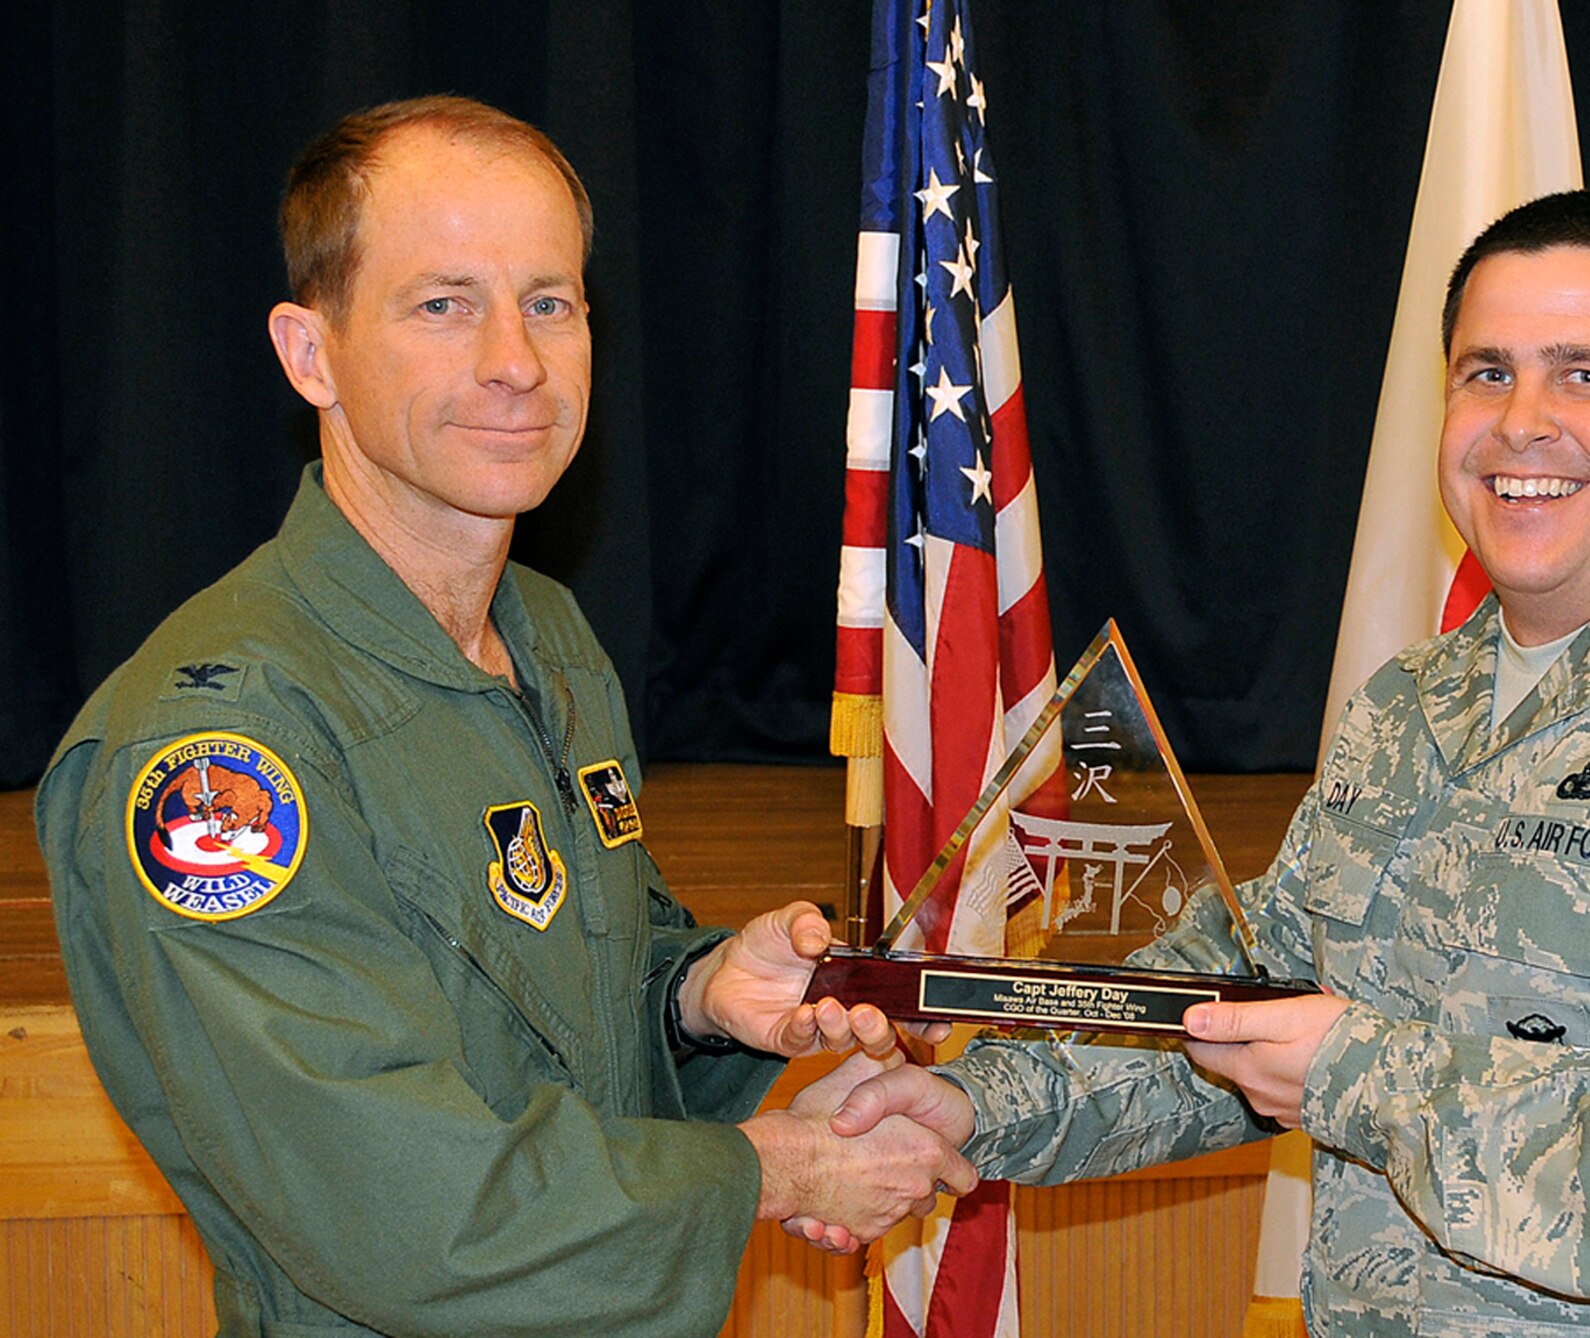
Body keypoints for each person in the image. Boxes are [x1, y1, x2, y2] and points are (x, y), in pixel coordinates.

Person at [822, 191, 1590, 1335]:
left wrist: (1360, 1079)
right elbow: (1244, 1003)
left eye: (1584, 376)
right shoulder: (1414, 707)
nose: (1521, 422)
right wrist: (972, 1108)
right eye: (1485, 373)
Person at [36, 96, 970, 1337]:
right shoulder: (223, 758)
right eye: (443, 303)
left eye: (549, 301)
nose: (515, 364)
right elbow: (405, 1213)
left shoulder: (549, 638)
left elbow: (543, 1005)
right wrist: (779, 1167)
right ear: (309, 353)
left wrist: (694, 994)